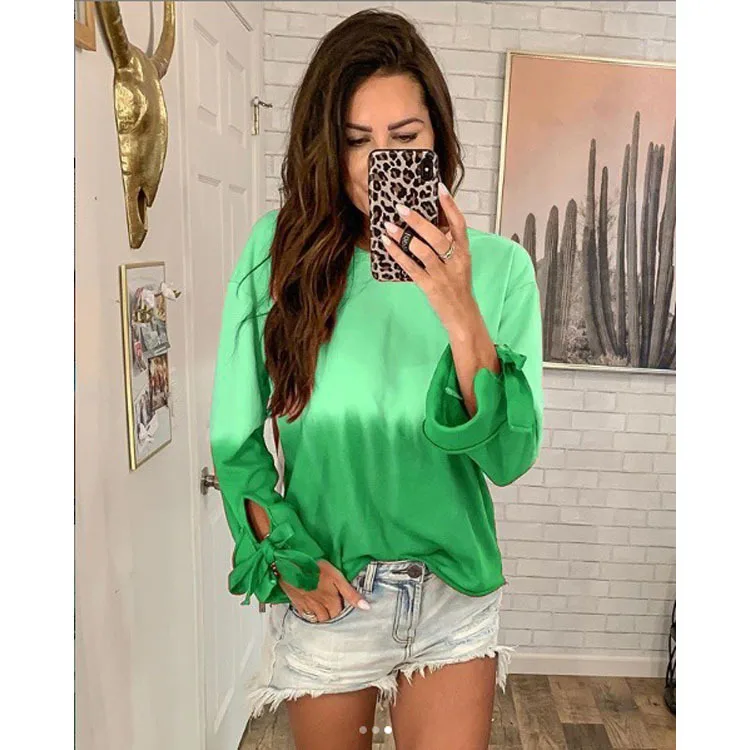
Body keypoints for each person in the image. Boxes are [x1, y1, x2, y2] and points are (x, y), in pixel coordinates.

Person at [209, 9, 543, 750]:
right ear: (327, 147)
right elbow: (235, 441)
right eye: (356, 140)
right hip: (331, 588)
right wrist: (285, 557)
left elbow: (507, 458)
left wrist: (458, 306)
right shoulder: (277, 256)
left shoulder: (501, 270)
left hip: (453, 594)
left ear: (438, 140)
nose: (377, 163)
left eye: (405, 138)